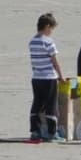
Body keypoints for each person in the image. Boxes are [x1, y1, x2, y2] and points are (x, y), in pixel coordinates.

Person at [29, 13, 64, 142]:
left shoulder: (32, 41)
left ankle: (35, 130)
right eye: (52, 28)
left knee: (37, 103)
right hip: (49, 78)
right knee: (51, 105)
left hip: (36, 78)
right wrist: (61, 76)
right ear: (47, 26)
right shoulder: (48, 41)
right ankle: (52, 132)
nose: (52, 32)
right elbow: (55, 61)